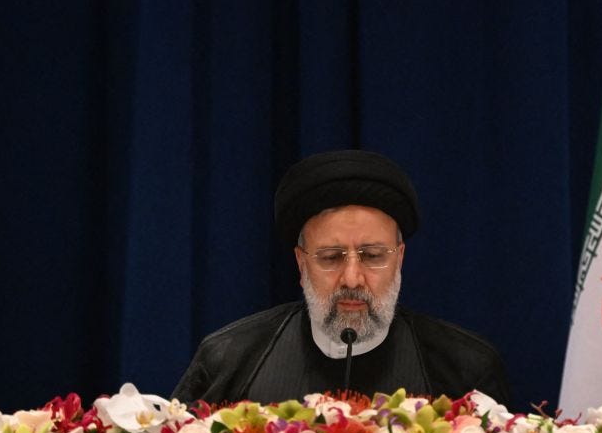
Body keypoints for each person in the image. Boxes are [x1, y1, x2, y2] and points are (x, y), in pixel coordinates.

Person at [172, 149, 510, 405]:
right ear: (301, 264)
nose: (352, 278)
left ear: (400, 258)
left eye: (373, 256)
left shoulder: (466, 369)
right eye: (331, 258)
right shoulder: (228, 359)